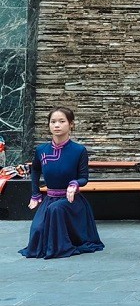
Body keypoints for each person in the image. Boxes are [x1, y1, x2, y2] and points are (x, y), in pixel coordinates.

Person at [20, 108, 104, 259]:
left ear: (71, 124)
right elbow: (35, 170)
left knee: (56, 209)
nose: (57, 125)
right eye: (53, 122)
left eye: (61, 121)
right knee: (37, 231)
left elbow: (84, 178)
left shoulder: (78, 150)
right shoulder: (41, 150)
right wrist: (35, 194)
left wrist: (74, 184)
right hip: (49, 199)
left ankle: (62, 245)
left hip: (71, 201)